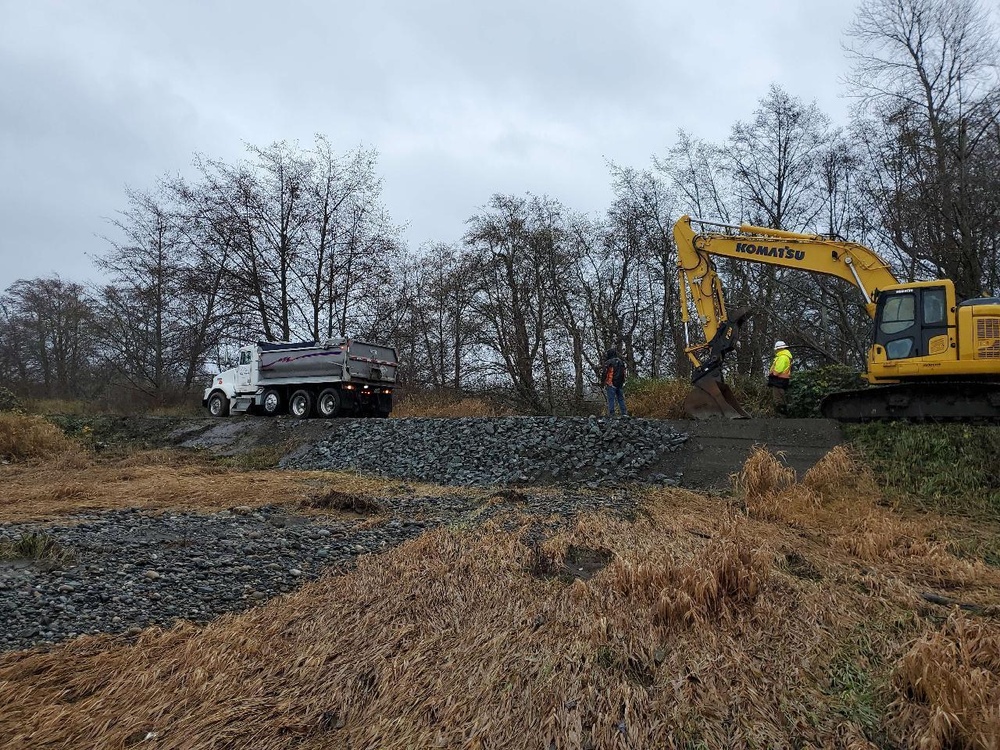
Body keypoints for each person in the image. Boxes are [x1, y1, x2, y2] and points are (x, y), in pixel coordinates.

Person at [768, 340, 792, 415]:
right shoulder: (784, 356)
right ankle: (783, 413)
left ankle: (782, 414)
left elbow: (778, 370)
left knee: (778, 398)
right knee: (780, 397)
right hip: (781, 380)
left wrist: (773, 374)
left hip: (779, 380)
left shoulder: (782, 357)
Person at [600, 348, 627, 416]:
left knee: (611, 399)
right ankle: (624, 413)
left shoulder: (609, 362)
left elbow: (605, 373)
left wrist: (602, 382)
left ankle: (612, 414)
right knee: (621, 399)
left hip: (611, 383)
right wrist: (623, 381)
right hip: (620, 384)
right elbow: (624, 372)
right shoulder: (621, 362)